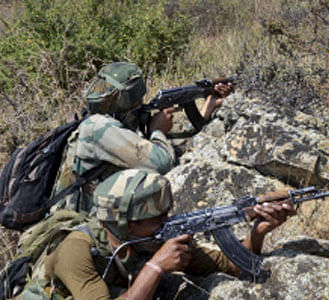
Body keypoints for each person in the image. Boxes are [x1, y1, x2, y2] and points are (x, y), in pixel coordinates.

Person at [0, 169, 295, 300]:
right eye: (155, 218)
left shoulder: (150, 238)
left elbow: (231, 266)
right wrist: (155, 268)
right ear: (123, 224)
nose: (165, 222)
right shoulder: (77, 250)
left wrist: (258, 232)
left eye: (165, 213)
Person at [51, 61, 233, 213]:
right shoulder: (98, 127)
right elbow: (162, 163)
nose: (140, 101)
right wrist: (157, 131)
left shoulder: (110, 122)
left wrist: (207, 108)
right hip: (83, 223)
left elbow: (170, 145)